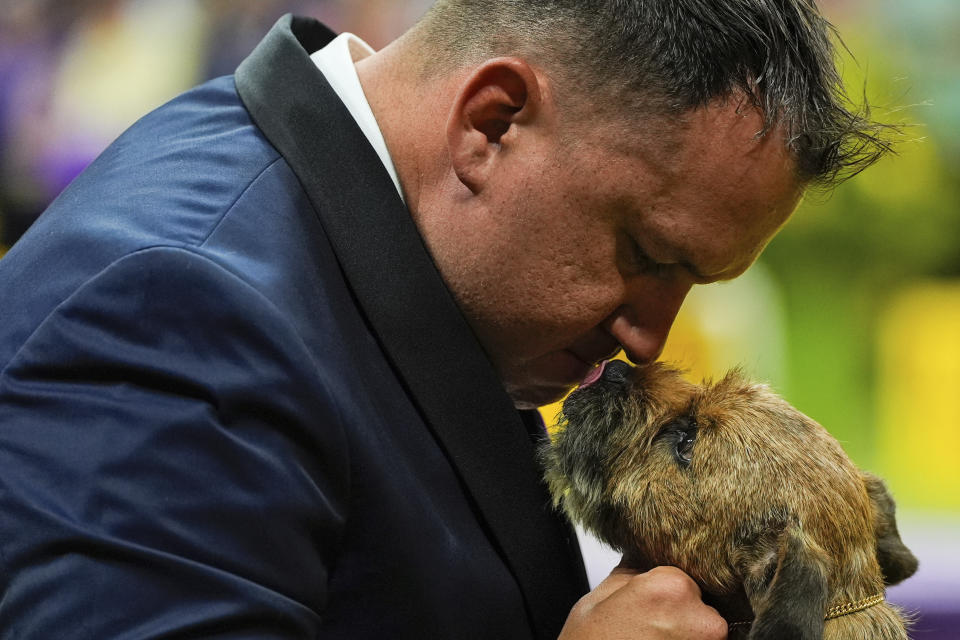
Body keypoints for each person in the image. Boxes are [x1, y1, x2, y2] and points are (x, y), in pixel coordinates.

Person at [0, 1, 893, 638]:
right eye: (649, 257)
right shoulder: (179, 310)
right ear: (491, 122)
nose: (650, 338)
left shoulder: (351, 222)